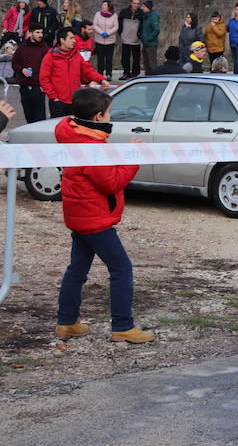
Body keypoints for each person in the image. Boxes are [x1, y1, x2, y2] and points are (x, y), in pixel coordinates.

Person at [53, 87, 155, 344]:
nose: (111, 118)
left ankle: (66, 322)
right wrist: (133, 157)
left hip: (80, 214)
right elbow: (111, 183)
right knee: (121, 268)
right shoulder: (92, 146)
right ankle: (122, 326)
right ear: (98, 117)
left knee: (77, 270)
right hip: (94, 217)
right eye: (109, 113)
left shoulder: (74, 134)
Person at [40, 28, 109, 117]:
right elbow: (44, 79)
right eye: (71, 38)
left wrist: (101, 80)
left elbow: (88, 70)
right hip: (58, 102)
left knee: (75, 128)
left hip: (75, 100)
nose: (74, 40)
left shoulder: (76, 55)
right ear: (62, 40)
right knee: (60, 128)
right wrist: (53, 97)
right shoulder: (50, 57)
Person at [12, 25, 50, 123]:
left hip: (38, 87)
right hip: (24, 87)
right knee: (29, 116)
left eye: (41, 32)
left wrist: (44, 83)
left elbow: (49, 67)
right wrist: (22, 70)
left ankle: (40, 137)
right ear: (30, 33)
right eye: (37, 32)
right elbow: (14, 63)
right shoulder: (22, 48)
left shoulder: (44, 48)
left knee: (40, 117)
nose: (40, 35)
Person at [118, 0, 143, 81]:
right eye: (134, 3)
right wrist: (120, 33)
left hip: (136, 39)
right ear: (131, 3)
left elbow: (143, 25)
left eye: (137, 3)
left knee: (136, 57)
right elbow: (119, 23)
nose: (136, 5)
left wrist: (140, 35)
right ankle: (126, 73)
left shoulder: (141, 13)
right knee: (125, 57)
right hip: (125, 38)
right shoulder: (124, 11)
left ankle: (135, 73)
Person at [91, 1, 117, 80]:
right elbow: (95, 25)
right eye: (102, 4)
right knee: (100, 58)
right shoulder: (97, 14)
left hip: (110, 40)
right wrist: (101, 32)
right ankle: (100, 74)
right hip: (99, 40)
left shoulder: (114, 15)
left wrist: (108, 33)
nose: (103, 6)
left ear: (109, 6)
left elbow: (116, 27)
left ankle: (109, 74)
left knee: (109, 58)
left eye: (105, 5)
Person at [139, 0, 160, 74]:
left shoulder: (153, 16)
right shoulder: (146, 16)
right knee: (146, 63)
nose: (142, 8)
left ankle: (154, 79)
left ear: (148, 7)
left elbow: (156, 30)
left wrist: (148, 39)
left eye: (144, 7)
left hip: (151, 44)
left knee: (152, 64)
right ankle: (147, 79)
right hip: (145, 43)